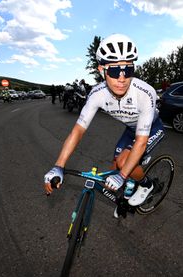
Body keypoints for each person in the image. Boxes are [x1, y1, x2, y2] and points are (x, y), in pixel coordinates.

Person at [44, 33, 165, 218]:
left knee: (124, 164)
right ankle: (125, 196)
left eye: (128, 69)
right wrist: (58, 166)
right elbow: (78, 130)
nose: (122, 78)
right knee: (116, 164)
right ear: (102, 70)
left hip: (151, 128)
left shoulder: (144, 92)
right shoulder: (97, 94)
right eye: (115, 71)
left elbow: (141, 142)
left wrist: (122, 176)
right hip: (130, 129)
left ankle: (147, 184)